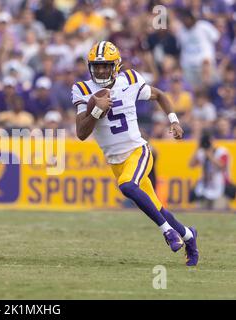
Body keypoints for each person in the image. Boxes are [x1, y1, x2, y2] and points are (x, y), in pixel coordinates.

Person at [73, 41, 199, 266]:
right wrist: (95, 109)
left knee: (127, 186)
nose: (101, 70)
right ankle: (189, 236)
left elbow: (160, 95)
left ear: (116, 65)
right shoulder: (82, 89)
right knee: (157, 207)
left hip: (138, 151)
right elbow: (81, 133)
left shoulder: (129, 80)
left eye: (106, 65)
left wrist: (174, 121)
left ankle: (168, 233)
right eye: (97, 66)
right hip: (116, 160)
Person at [189, 130, 231, 210]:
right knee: (201, 212)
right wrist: (198, 148)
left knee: (219, 211)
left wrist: (210, 155)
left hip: (220, 188)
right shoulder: (201, 152)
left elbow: (222, 166)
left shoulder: (221, 151)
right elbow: (191, 164)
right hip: (205, 188)